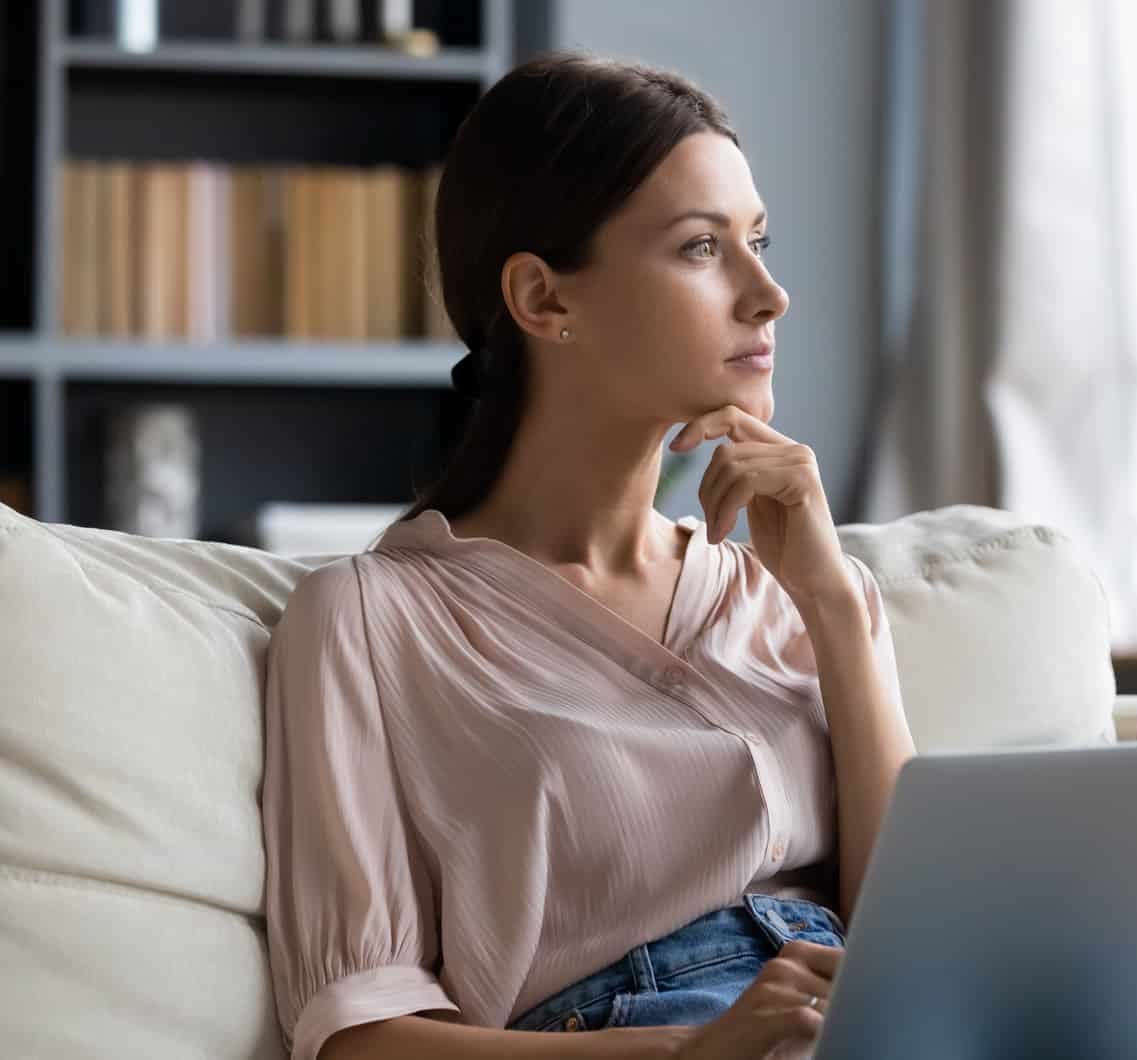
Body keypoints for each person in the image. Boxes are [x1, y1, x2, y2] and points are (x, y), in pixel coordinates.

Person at [261, 48, 916, 1060]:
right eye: (703, 248)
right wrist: (692, 1053)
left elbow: (920, 941)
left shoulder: (791, 589)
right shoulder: (368, 619)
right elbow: (364, 1037)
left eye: (760, 240)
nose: (769, 294)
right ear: (543, 299)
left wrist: (836, 610)